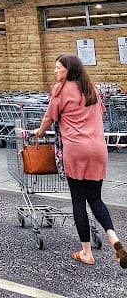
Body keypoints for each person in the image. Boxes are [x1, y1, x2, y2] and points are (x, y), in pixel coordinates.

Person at [34, 54, 127, 268]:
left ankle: (86, 252)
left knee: (78, 200)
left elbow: (49, 118)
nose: (55, 71)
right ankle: (113, 237)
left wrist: (39, 132)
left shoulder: (60, 90)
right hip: (98, 149)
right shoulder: (91, 89)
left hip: (76, 150)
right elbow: (98, 115)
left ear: (68, 70)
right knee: (95, 199)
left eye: (58, 68)